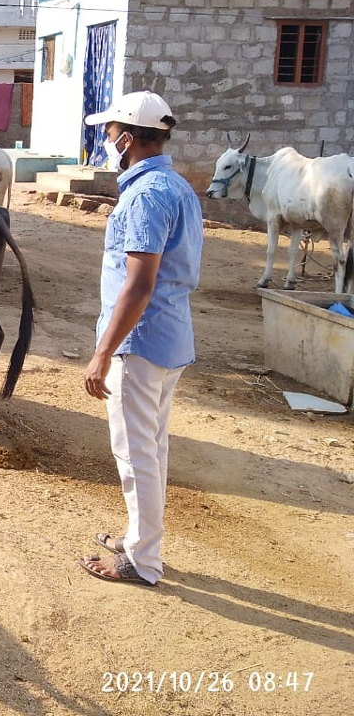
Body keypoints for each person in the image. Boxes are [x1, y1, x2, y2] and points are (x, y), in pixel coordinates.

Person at [79, 90, 203, 586]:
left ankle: (143, 561)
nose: (106, 139)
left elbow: (140, 283)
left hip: (139, 342)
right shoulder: (176, 186)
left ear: (127, 137)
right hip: (168, 337)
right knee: (151, 447)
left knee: (135, 455)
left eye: (110, 132)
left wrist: (103, 353)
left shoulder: (146, 195)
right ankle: (138, 537)